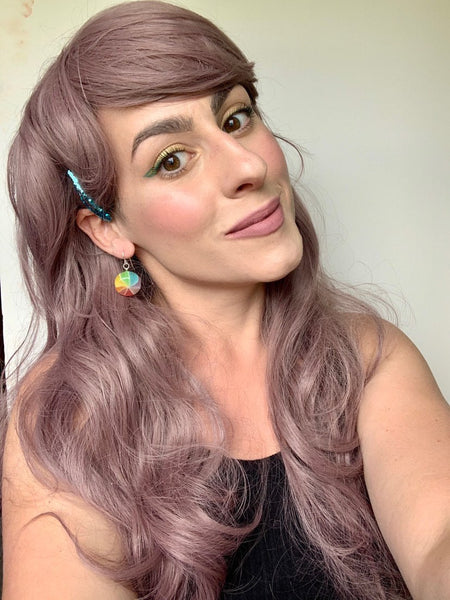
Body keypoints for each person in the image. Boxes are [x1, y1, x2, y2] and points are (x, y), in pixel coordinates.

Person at [1, 2, 449, 599]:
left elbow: (437, 536)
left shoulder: (366, 357)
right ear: (107, 228)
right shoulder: (68, 414)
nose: (248, 165)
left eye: (236, 118)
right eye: (172, 160)